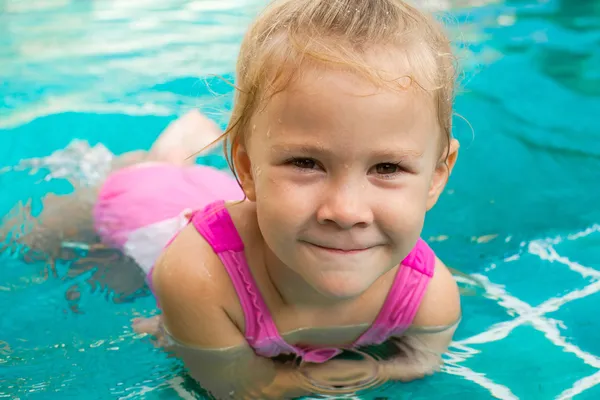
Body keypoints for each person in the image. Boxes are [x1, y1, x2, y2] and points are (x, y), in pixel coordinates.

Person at [131, 0, 463, 398]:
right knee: (142, 175)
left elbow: (420, 365)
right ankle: (165, 156)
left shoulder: (431, 300)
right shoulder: (198, 279)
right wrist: (343, 377)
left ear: (435, 178)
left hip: (257, 206)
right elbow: (236, 388)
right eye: (306, 162)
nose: (345, 211)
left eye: (388, 168)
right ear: (248, 167)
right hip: (144, 209)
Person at [0, 109, 242, 306]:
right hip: (139, 203)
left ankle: (175, 151)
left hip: (212, 196)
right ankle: (174, 150)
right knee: (26, 242)